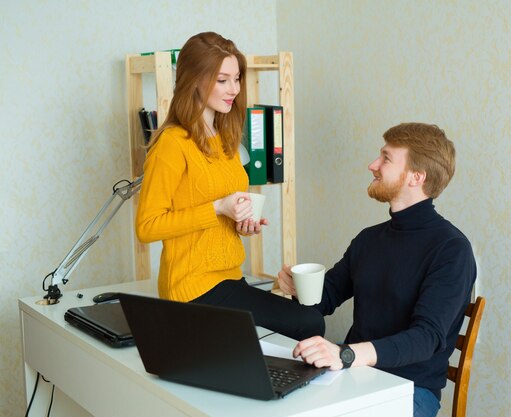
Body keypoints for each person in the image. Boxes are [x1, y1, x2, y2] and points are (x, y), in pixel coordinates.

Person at [278, 123, 476, 417]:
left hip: (412, 391)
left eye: (385, 158)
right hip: (353, 376)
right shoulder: (369, 239)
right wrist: (298, 288)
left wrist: (345, 354)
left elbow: (425, 339)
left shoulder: (451, 250)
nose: (373, 165)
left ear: (416, 177)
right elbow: (326, 298)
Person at [135, 32, 324, 340]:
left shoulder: (225, 138)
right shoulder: (172, 143)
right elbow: (147, 226)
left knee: (306, 319)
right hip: (192, 287)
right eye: (222, 80)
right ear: (194, 80)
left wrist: (241, 224)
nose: (234, 89)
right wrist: (216, 209)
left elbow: (219, 216)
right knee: (309, 323)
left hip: (228, 277)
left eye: (236, 79)